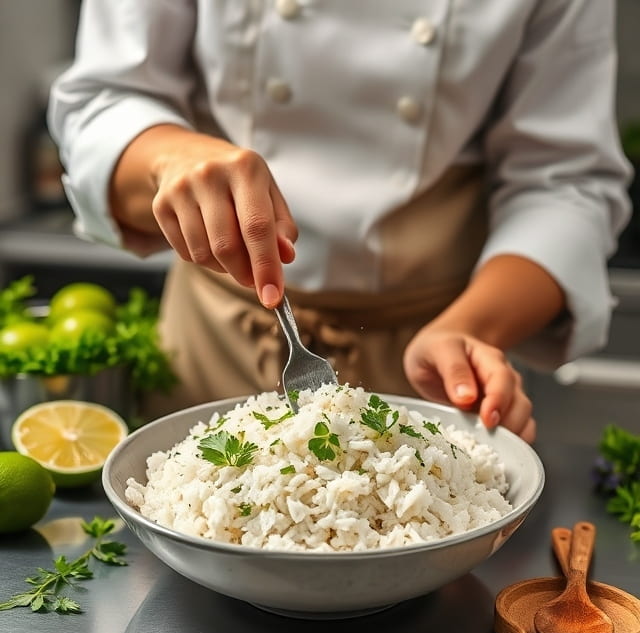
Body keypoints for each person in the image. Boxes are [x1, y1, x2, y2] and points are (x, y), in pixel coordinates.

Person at [48, 1, 632, 444]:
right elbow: (103, 97)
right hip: (211, 345)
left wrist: (472, 329)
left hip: (432, 364)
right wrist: (166, 155)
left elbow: (564, 180)